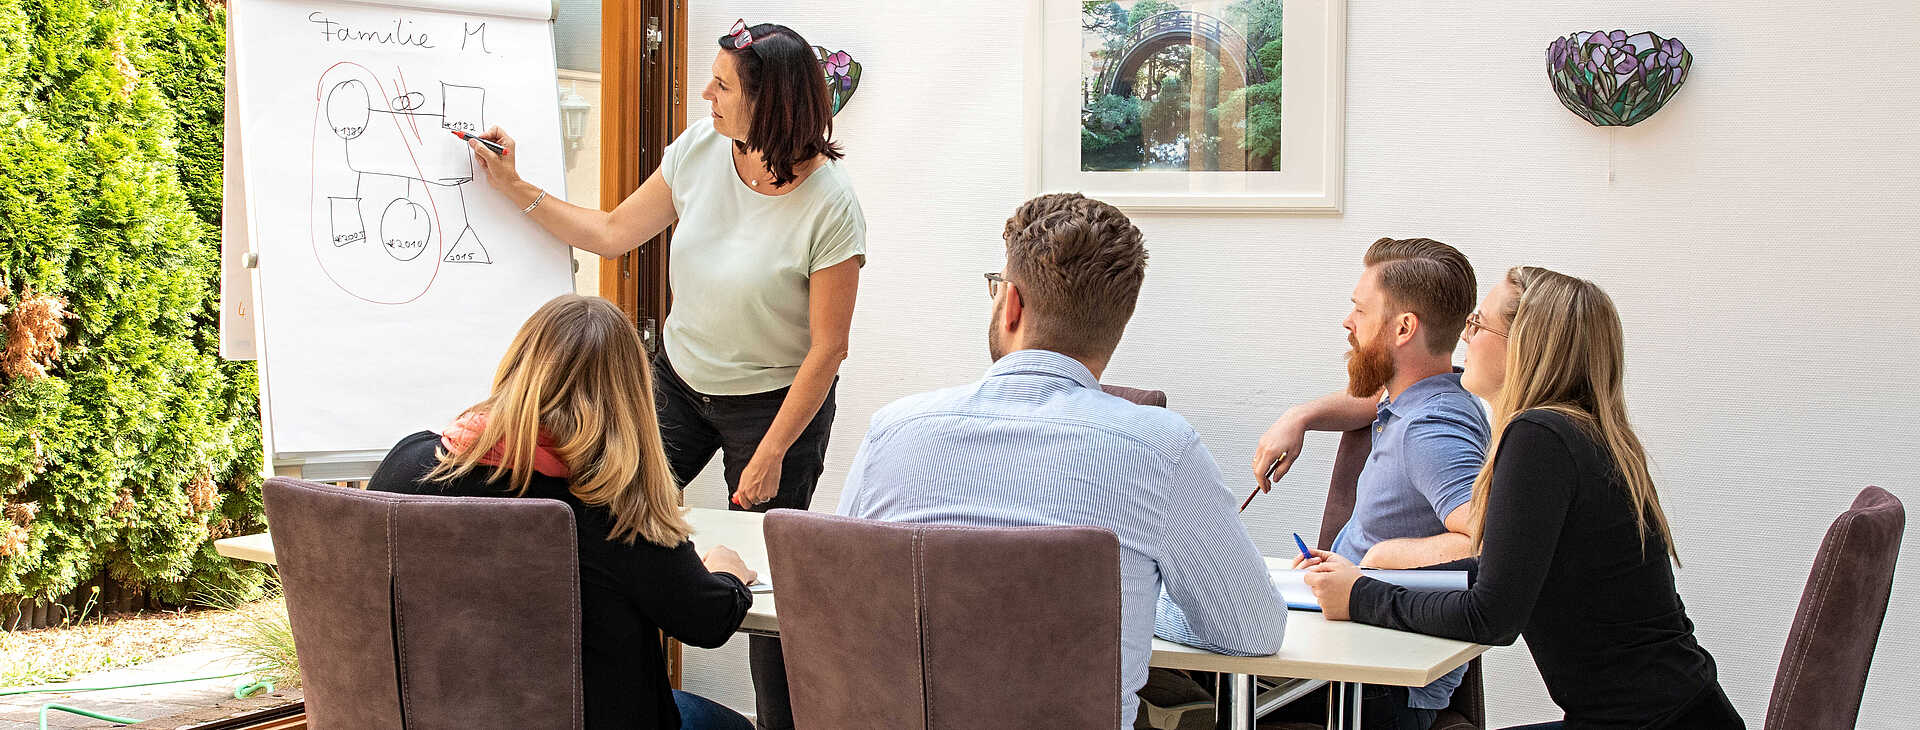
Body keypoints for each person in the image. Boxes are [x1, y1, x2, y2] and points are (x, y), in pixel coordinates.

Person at [465, 21, 864, 727]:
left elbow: (828, 350)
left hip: (774, 406)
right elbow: (613, 233)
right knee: (605, 516)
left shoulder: (831, 205)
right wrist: (515, 186)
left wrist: (772, 453)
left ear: (768, 103)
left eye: (722, 85)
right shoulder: (700, 149)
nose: (706, 93)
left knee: (776, 580)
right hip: (677, 383)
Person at [835, 193, 1288, 730]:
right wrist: (1143, 606)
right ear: (1118, 323)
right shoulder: (1161, 449)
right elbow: (1252, 630)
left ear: (1011, 304)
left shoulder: (894, 430)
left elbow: (844, 595)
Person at [1303, 267, 1744, 729]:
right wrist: (1374, 577)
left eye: (1478, 324)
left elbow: (1491, 616)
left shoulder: (1538, 436)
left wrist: (1360, 596)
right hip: (1679, 712)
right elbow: (1505, 570)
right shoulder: (1581, 431)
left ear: (1524, 346)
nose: (1465, 337)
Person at [367, 294, 757, 730]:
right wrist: (727, 575)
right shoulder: (616, 511)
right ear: (631, 397)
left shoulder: (411, 467)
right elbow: (705, 621)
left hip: (436, 713)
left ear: (518, 367)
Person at [1253, 237, 1489, 729]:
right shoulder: (1425, 395)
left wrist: (1381, 559)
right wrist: (1300, 417)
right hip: (1353, 654)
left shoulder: (1431, 430)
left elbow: (1487, 541)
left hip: (1380, 687)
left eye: (1360, 310)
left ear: (1403, 328)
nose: (1348, 322)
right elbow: (1371, 399)